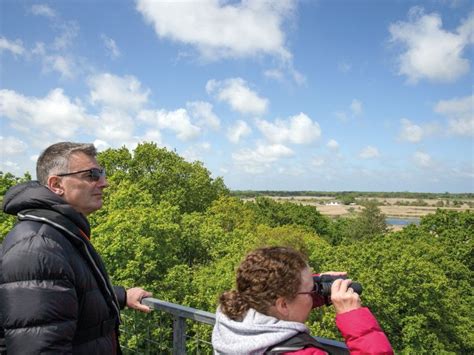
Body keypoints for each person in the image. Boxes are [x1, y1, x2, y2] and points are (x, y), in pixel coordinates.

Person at [0, 142, 152, 354]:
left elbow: (61, 299)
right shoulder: (38, 245)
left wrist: (120, 296)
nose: (104, 182)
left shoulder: (58, 232)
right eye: (92, 175)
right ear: (56, 184)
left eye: (102, 173)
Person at [212, 246, 393, 354]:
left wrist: (317, 286)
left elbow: (268, 291)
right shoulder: (302, 353)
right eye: (309, 289)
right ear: (283, 304)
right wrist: (354, 319)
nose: (313, 291)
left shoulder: (230, 318)